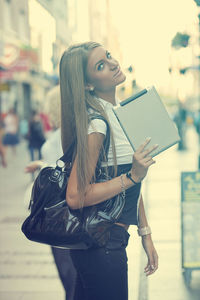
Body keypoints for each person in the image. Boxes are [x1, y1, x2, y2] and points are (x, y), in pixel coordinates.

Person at [59, 42, 159, 300]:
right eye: (100, 65)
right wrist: (132, 176)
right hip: (102, 245)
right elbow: (75, 195)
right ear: (87, 85)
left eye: (109, 56)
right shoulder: (97, 124)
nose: (113, 63)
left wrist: (145, 234)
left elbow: (130, 185)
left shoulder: (117, 113)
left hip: (106, 242)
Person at [25, 85, 76, 300]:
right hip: (72, 211)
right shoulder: (72, 133)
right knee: (75, 274)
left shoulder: (58, 137)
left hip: (57, 215)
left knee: (68, 274)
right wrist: (42, 164)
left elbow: (61, 171)